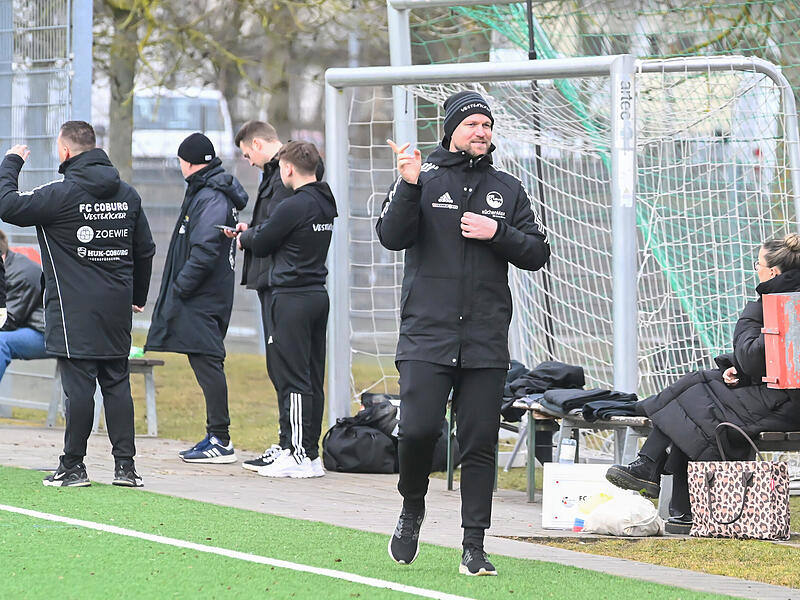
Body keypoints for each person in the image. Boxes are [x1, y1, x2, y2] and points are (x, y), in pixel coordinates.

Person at [376, 91, 550, 575]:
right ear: (452, 129)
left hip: (485, 341)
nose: (481, 131)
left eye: (487, 125)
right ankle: (412, 508)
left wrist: (498, 233)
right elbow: (390, 237)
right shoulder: (422, 177)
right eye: (472, 123)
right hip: (426, 337)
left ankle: (474, 544)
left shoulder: (508, 189)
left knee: (479, 443)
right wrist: (408, 185)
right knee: (417, 431)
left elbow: (538, 252)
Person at [606, 234, 800, 534]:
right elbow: (772, 359)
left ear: (773, 272)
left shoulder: (778, 304)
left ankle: (655, 471)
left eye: (757, 264)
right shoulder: (784, 300)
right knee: (700, 392)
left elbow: (753, 356)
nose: (756, 270)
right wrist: (735, 367)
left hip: (787, 403)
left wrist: (757, 317)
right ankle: (669, 494)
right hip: (779, 393)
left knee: (698, 397)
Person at [0, 120, 156, 487]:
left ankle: (72, 466)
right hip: (116, 307)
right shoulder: (128, 195)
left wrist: (10, 163)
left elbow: (7, 205)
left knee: (80, 388)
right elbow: (145, 249)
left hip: (73, 311)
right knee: (116, 383)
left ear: (65, 151)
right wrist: (137, 297)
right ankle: (125, 468)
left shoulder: (60, 195)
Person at [232, 140, 335, 478]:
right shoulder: (325, 199)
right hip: (316, 294)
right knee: (311, 376)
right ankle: (311, 453)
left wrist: (244, 238)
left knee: (292, 376)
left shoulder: (294, 204)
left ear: (288, 168)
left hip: (290, 296)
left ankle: (297, 452)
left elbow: (262, 241)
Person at [145, 132, 248, 464]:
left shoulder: (211, 197)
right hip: (205, 295)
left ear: (187, 162)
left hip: (203, 297)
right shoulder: (207, 192)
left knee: (207, 360)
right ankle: (216, 435)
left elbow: (204, 251)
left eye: (179, 160)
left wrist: (180, 288)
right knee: (203, 360)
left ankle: (221, 439)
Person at [0, 229, 48, 378]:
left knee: (1, 343)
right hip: (23, 325)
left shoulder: (22, 273)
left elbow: (8, 321)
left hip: (45, 333)